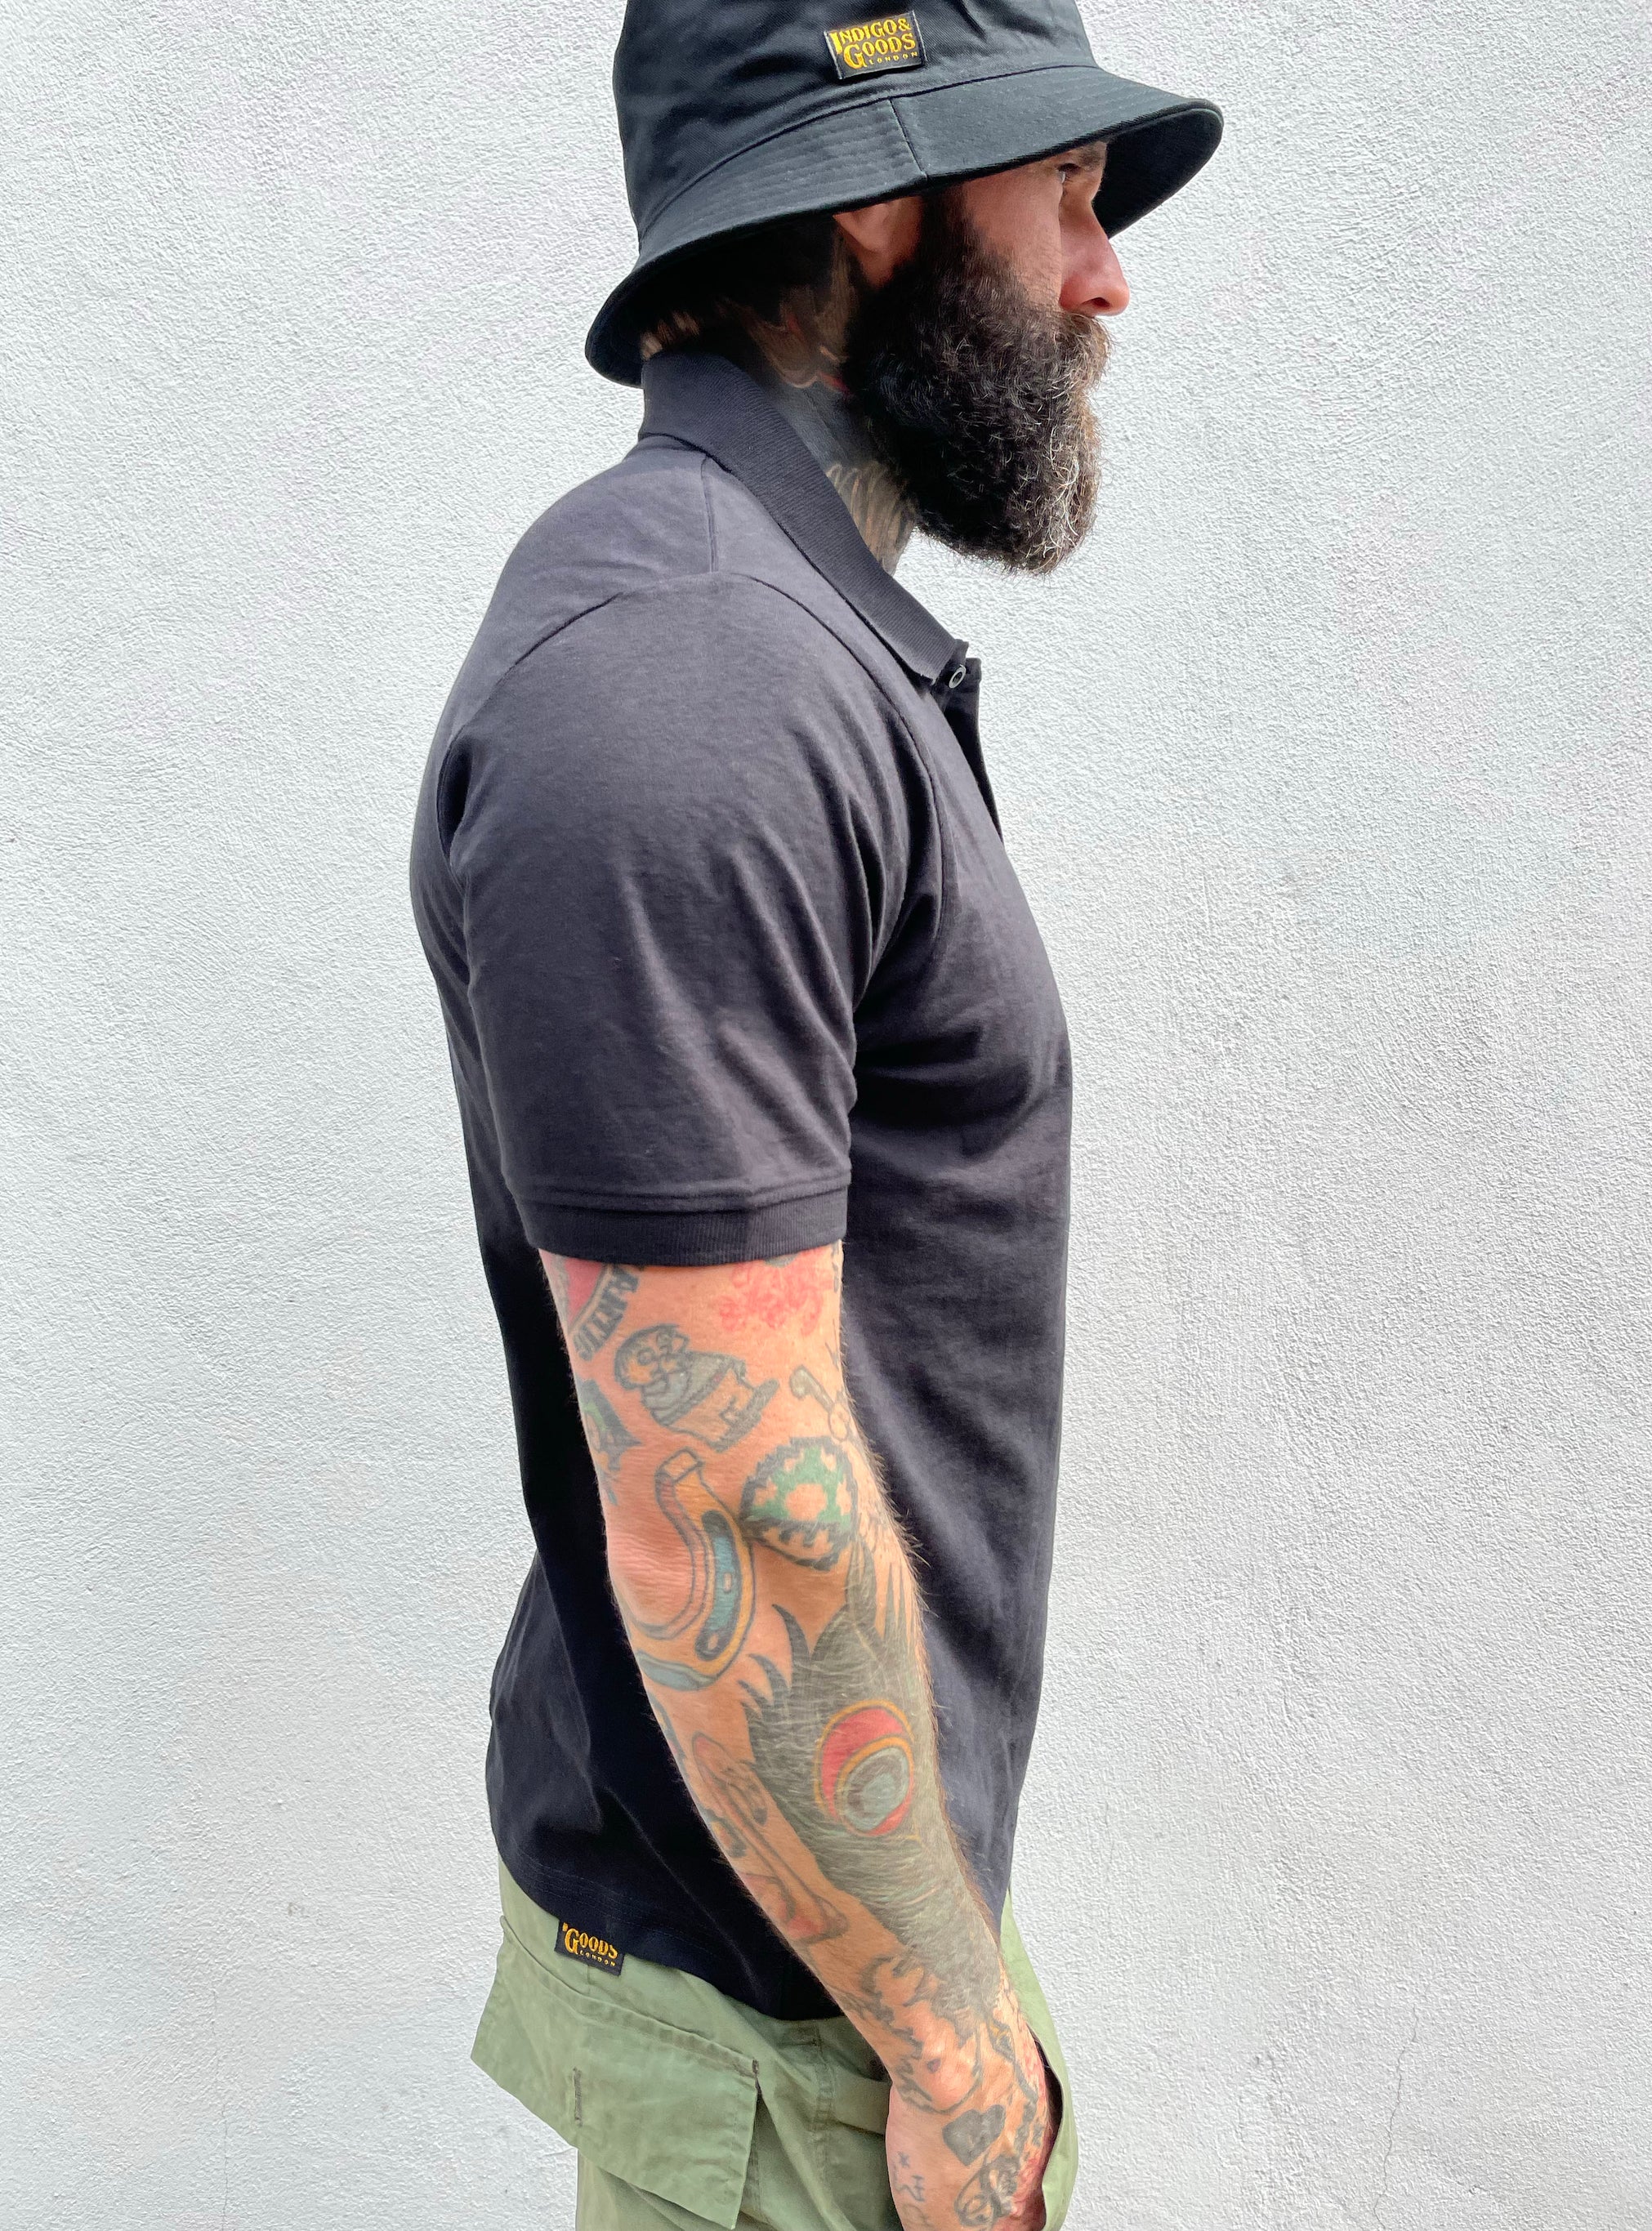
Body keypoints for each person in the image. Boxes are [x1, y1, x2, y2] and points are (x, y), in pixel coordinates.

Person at [409, 6, 1221, 2225]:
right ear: (874, 205)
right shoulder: (690, 684)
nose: (1106, 279)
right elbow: (732, 1509)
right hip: (806, 2008)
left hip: (841, 1920)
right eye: (1066, 193)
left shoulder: (769, 642)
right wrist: (944, 2043)